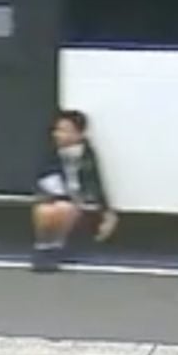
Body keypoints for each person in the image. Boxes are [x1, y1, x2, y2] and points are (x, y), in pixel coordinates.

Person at [31, 110, 118, 272]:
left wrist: (106, 211)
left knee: (65, 209)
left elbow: (96, 183)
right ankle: (43, 248)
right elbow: (44, 178)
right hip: (56, 197)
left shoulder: (86, 155)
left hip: (79, 202)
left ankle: (56, 247)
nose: (58, 135)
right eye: (57, 130)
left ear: (79, 134)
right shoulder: (51, 153)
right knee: (45, 211)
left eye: (64, 130)